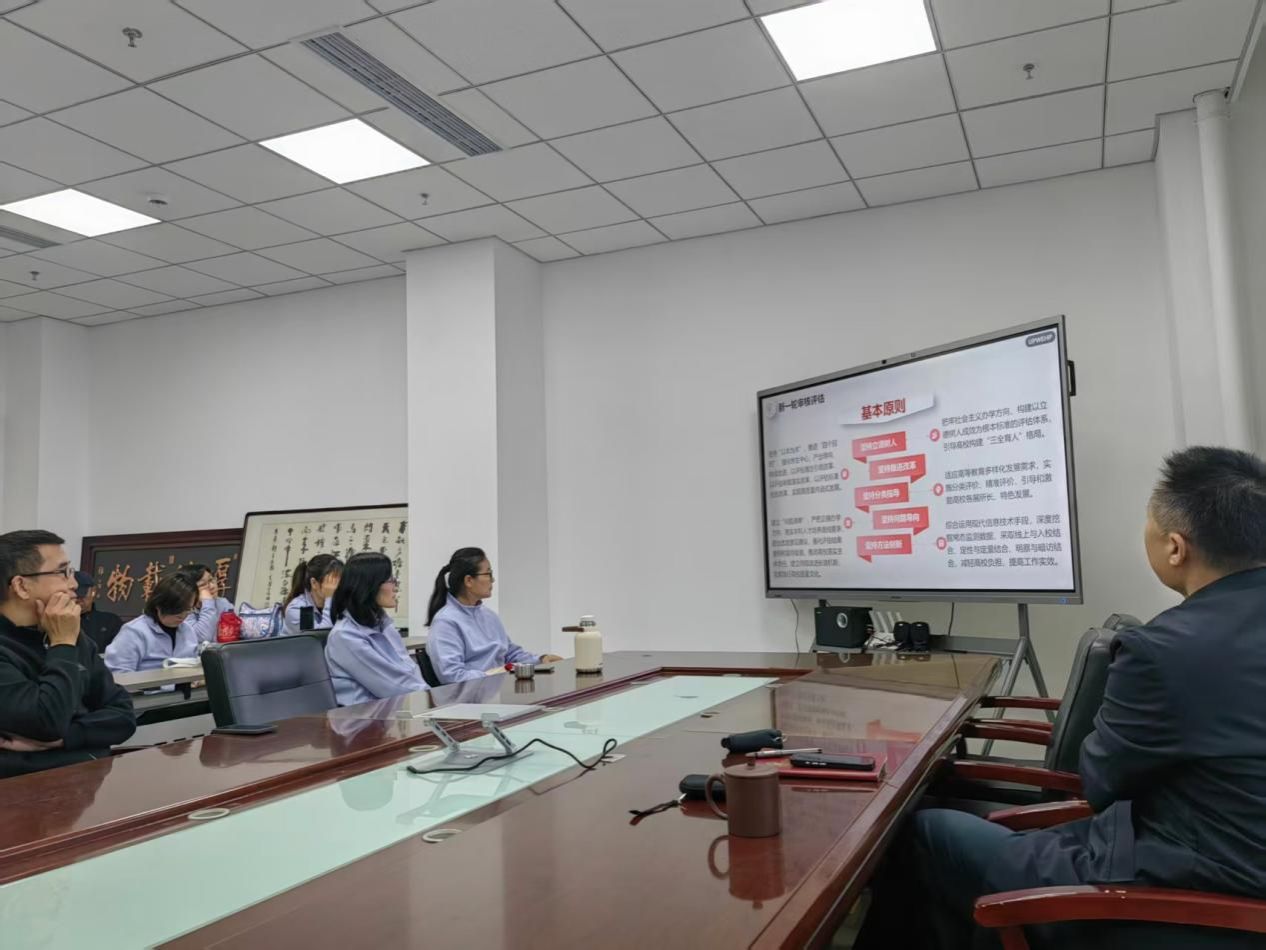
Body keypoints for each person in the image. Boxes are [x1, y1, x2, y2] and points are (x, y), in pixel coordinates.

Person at [857, 446, 1266, 950]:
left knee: (925, 832)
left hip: (1187, 897)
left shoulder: (1163, 651)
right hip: (1233, 872)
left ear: (1175, 548)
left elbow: (1101, 782)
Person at [0, 530, 135, 778]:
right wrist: (62, 643)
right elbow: (47, 722)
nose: (73, 584)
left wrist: (67, 738)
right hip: (25, 787)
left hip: (88, 777)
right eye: (62, 572)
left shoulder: (75, 637)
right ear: (21, 586)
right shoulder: (62, 637)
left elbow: (124, 715)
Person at [425, 547, 561, 684]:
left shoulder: (489, 616)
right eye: (488, 574)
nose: (493, 579)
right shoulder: (445, 622)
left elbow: (510, 654)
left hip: (497, 688)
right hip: (471, 694)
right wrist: (490, 675)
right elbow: (452, 676)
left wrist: (540, 660)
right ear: (469, 581)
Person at [325, 552, 426, 705]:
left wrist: (429, 696)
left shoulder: (383, 624)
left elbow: (408, 669)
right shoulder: (345, 636)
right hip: (362, 716)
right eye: (390, 580)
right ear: (370, 586)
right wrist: (430, 699)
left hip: (391, 708)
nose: (395, 586)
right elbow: (391, 685)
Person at [104, 573, 202, 673]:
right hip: (144, 683)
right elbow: (118, 675)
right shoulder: (134, 632)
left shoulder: (187, 631)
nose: (182, 615)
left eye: (188, 609)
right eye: (177, 609)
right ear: (158, 605)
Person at [281, 554, 343, 635]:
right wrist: (329, 598)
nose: (336, 586)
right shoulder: (300, 608)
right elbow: (319, 637)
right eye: (331, 581)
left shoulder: (338, 602)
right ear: (314, 583)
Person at [177, 562, 234, 644]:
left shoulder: (222, 603)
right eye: (203, 585)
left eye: (211, 580)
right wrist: (207, 602)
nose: (212, 586)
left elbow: (234, 632)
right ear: (189, 589)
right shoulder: (182, 609)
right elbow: (202, 638)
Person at [75, 570, 122, 653]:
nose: (78, 599)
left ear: (93, 591)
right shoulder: (58, 621)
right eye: (74, 594)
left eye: (82, 595)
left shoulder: (110, 622)